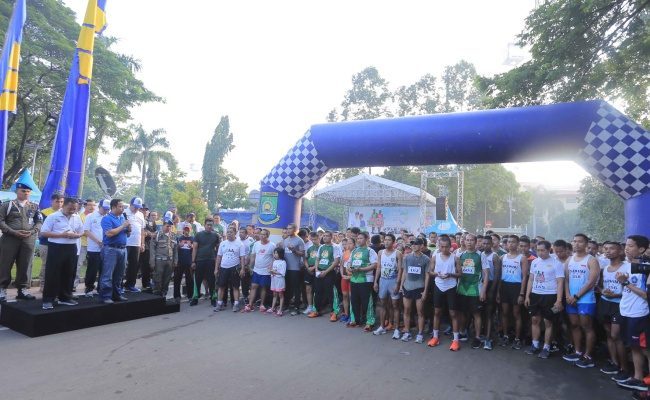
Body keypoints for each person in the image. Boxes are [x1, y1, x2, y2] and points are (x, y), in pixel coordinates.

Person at [614, 235, 650, 392]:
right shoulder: (626, 266)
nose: (626, 248)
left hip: (640, 314)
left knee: (646, 349)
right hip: (625, 312)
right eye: (626, 245)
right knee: (634, 347)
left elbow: (646, 295)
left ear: (641, 249)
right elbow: (624, 290)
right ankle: (637, 377)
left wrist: (626, 283)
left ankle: (646, 383)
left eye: (630, 246)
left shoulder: (646, 268)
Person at [0, 180, 42, 302]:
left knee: (25, 264)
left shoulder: (34, 206)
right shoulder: (7, 205)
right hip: (10, 239)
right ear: (17, 191)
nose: (26, 193)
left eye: (28, 191)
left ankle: (22, 289)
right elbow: (1, 221)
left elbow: (39, 221)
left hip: (28, 239)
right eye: (23, 191)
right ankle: (2, 288)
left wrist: (33, 231)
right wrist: (13, 232)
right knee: (5, 263)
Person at [562, 233, 600, 368]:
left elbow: (591, 282)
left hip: (586, 300)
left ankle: (588, 356)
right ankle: (578, 352)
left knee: (587, 327)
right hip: (571, 299)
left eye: (580, 241)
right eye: (574, 241)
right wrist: (567, 295)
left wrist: (577, 296)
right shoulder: (569, 260)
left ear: (586, 244)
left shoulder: (591, 260)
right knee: (574, 325)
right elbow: (566, 279)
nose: (576, 244)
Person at [40, 197, 84, 310]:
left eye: (74, 209)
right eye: (70, 208)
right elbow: (44, 232)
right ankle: (48, 299)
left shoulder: (77, 217)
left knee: (69, 273)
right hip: (56, 247)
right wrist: (62, 235)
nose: (72, 211)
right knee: (53, 273)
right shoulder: (53, 216)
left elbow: (81, 231)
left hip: (72, 247)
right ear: (63, 205)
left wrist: (76, 235)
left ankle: (65, 297)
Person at [524, 240, 565, 359]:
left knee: (548, 322)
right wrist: (527, 295)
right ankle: (535, 344)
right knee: (535, 320)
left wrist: (558, 300)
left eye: (543, 250)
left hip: (550, 296)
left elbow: (560, 282)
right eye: (538, 250)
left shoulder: (556, 263)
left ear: (549, 250)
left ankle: (546, 347)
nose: (540, 253)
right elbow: (531, 279)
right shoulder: (535, 262)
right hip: (535, 295)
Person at [598, 241, 628, 377]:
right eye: (606, 249)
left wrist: (617, 294)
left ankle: (624, 368)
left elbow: (631, 288)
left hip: (619, 305)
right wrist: (603, 291)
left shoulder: (627, 267)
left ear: (620, 251)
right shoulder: (605, 268)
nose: (608, 251)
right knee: (609, 335)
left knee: (616, 336)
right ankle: (614, 363)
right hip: (605, 303)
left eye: (612, 248)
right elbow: (599, 286)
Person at [428, 235, 461, 351]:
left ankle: (456, 340)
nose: (444, 249)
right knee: (437, 312)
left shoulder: (455, 258)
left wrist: (450, 274)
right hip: (438, 286)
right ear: (439, 246)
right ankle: (435, 337)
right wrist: (437, 274)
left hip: (451, 287)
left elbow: (460, 274)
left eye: (446, 247)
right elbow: (430, 271)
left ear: (450, 246)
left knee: (453, 314)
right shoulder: (435, 257)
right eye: (442, 246)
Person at [456, 233, 489, 349]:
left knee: (476, 314)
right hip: (462, 289)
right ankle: (462, 332)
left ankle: (477, 337)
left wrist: (483, 291)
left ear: (476, 242)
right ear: (464, 241)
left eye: (471, 240)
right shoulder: (460, 255)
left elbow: (486, 274)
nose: (469, 242)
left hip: (475, 290)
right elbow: (457, 272)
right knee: (462, 313)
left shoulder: (481, 255)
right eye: (467, 240)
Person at [498, 235, 529, 350]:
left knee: (516, 313)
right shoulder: (503, 257)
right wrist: (498, 292)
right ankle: (506, 336)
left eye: (513, 242)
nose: (510, 244)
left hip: (516, 287)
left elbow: (524, 277)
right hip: (505, 286)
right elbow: (499, 275)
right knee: (505, 313)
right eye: (509, 242)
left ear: (517, 244)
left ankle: (517, 338)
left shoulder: (522, 258)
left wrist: (522, 294)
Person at [398, 238, 430, 343]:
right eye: (413, 244)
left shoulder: (426, 259)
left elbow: (427, 275)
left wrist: (425, 290)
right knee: (406, 310)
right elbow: (405, 272)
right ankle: (407, 332)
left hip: (419, 288)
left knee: (420, 312)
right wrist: (401, 286)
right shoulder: (407, 257)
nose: (414, 246)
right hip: (407, 287)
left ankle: (420, 334)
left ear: (421, 245)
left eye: (416, 244)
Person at [99, 199, 130, 304]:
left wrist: (128, 228)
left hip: (123, 249)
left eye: (123, 207)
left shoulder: (122, 218)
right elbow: (109, 233)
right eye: (120, 206)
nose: (122, 209)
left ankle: (117, 294)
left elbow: (127, 234)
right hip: (111, 249)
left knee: (119, 274)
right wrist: (123, 226)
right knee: (108, 274)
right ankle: (106, 296)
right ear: (113, 207)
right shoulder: (107, 218)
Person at [346, 232, 378, 330]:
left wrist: (361, 269)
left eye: (361, 238)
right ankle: (355, 320)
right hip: (354, 279)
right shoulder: (354, 251)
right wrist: (349, 268)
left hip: (366, 280)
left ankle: (370, 322)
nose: (359, 240)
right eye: (358, 238)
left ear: (366, 239)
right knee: (354, 301)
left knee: (367, 302)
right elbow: (349, 263)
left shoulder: (370, 251)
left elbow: (375, 265)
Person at [373, 233, 402, 337]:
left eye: (389, 240)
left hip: (393, 281)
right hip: (383, 281)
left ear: (393, 242)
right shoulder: (380, 252)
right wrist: (375, 282)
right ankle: (382, 327)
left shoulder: (398, 253)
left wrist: (397, 284)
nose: (386, 241)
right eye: (385, 240)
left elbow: (400, 270)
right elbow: (379, 267)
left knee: (395, 305)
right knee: (383, 304)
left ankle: (396, 329)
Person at [309, 231, 341, 319]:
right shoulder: (321, 247)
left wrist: (326, 272)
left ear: (331, 237)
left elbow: (336, 261)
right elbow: (317, 259)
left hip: (329, 272)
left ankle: (335, 312)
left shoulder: (335, 247)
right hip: (319, 271)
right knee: (317, 291)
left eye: (327, 236)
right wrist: (316, 269)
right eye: (324, 236)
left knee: (331, 293)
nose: (325, 237)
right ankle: (316, 310)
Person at [244, 228, 275, 313]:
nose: (262, 236)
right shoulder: (256, 244)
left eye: (264, 234)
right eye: (261, 234)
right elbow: (253, 256)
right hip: (256, 270)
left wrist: (271, 267)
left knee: (263, 287)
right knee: (253, 286)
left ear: (267, 236)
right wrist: (250, 266)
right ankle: (250, 304)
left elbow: (274, 257)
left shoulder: (272, 245)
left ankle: (262, 304)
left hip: (266, 271)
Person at [215, 227, 246, 312]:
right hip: (223, 268)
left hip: (234, 268)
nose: (229, 234)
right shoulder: (223, 243)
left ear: (235, 233)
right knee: (221, 286)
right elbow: (219, 256)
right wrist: (216, 268)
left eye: (231, 232)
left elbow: (242, 258)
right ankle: (219, 304)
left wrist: (242, 269)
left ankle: (236, 304)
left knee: (235, 287)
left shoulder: (240, 244)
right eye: (228, 232)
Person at [83, 199, 109, 296]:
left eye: (107, 209)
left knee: (104, 269)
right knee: (92, 269)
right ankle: (89, 288)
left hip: (106, 247)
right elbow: (86, 231)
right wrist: (98, 241)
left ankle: (100, 288)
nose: (105, 211)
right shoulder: (91, 216)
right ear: (99, 207)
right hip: (94, 247)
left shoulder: (108, 217)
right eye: (104, 209)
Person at [190, 218, 219, 306]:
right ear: (204, 225)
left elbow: (218, 250)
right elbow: (194, 248)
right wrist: (193, 261)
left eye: (211, 225)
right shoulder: (198, 235)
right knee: (197, 280)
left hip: (211, 261)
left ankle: (213, 298)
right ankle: (195, 298)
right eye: (208, 225)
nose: (209, 226)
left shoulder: (216, 235)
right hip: (199, 261)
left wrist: (217, 262)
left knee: (211, 280)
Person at [38, 193, 63, 292]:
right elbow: (42, 230)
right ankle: (43, 285)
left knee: (58, 265)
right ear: (52, 201)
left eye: (61, 202)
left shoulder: (64, 213)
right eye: (57, 201)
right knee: (46, 264)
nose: (59, 204)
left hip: (60, 244)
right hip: (46, 243)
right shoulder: (44, 212)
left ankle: (54, 285)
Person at [482, 235, 502, 350]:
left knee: (489, 313)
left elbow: (497, 276)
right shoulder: (480, 254)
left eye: (488, 243)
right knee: (481, 313)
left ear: (491, 244)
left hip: (491, 286)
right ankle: (481, 334)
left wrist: (493, 291)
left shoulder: (495, 256)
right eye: (484, 243)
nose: (485, 245)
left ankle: (488, 338)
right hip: (481, 285)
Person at [149, 220, 178, 297]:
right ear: (163, 226)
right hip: (159, 260)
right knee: (157, 278)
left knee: (167, 279)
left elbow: (175, 250)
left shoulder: (173, 236)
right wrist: (152, 261)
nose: (169, 228)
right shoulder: (157, 235)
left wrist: (175, 261)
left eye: (170, 226)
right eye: (167, 226)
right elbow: (152, 249)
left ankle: (164, 293)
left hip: (170, 261)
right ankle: (157, 294)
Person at [123, 197, 145, 292]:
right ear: (130, 204)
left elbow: (142, 230)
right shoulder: (124, 212)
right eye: (135, 206)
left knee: (134, 265)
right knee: (122, 264)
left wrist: (142, 243)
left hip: (136, 243)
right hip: (126, 242)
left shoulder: (141, 214)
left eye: (138, 207)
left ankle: (130, 284)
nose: (136, 209)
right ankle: (119, 285)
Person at [283, 223, 305, 315]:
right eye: (287, 228)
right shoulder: (285, 240)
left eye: (290, 228)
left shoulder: (299, 240)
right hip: (286, 268)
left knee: (296, 288)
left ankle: (296, 307)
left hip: (295, 268)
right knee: (287, 287)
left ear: (295, 230)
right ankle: (286, 305)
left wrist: (294, 250)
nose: (288, 230)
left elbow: (303, 253)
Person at [75, 199, 95, 291]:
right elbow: (80, 231)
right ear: (85, 206)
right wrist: (88, 233)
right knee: (78, 265)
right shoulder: (80, 217)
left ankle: (89, 285)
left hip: (94, 245)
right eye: (89, 205)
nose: (92, 207)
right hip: (83, 244)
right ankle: (74, 285)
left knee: (92, 266)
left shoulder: (96, 216)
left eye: (93, 205)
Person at [139, 210, 158, 291]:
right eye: (152, 215)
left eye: (155, 215)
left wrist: (152, 234)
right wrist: (150, 234)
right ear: (149, 216)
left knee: (151, 266)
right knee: (145, 265)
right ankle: (145, 283)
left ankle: (149, 282)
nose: (153, 216)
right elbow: (144, 232)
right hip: (146, 246)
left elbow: (156, 234)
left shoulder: (156, 224)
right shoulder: (145, 222)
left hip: (153, 247)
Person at [174, 226, 194, 302]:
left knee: (189, 280)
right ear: (183, 230)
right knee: (177, 279)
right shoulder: (179, 238)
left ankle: (190, 296)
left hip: (189, 262)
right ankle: (177, 296)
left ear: (190, 230)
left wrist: (192, 246)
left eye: (188, 230)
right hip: (180, 262)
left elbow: (196, 249)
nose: (186, 231)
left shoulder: (193, 238)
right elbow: (174, 248)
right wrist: (178, 246)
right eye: (185, 230)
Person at [303, 231, 319, 316]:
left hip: (317, 269)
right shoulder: (309, 248)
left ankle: (316, 307)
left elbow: (321, 260)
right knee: (308, 289)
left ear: (319, 238)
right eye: (312, 239)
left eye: (315, 239)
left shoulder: (321, 247)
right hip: (308, 269)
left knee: (317, 289)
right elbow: (305, 258)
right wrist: (307, 267)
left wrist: (313, 268)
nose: (313, 241)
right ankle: (309, 306)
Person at [339, 237, 354, 322]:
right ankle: (346, 314)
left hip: (353, 278)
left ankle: (352, 315)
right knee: (345, 295)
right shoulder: (345, 253)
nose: (348, 245)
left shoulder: (356, 253)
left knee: (352, 297)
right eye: (347, 243)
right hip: (344, 277)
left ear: (354, 244)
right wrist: (342, 274)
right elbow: (341, 265)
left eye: (350, 243)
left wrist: (351, 276)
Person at [269, 247, 287, 316]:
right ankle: (272, 308)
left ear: (280, 254)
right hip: (274, 280)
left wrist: (274, 272)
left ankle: (280, 310)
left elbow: (282, 273)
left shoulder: (283, 262)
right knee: (274, 294)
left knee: (280, 295)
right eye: (274, 253)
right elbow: (273, 271)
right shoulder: (274, 261)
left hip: (280, 280)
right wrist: (271, 271)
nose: (275, 254)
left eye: (276, 253)